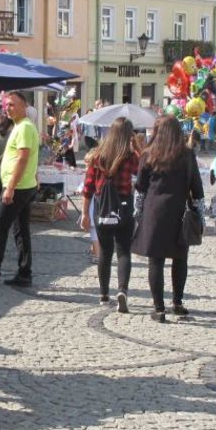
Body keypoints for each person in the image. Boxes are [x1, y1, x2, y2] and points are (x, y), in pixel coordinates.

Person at [132, 114, 204, 322]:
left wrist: (138, 213)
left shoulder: (148, 154)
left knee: (156, 260)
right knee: (180, 258)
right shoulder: (187, 155)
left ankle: (159, 308)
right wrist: (200, 215)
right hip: (179, 212)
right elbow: (196, 187)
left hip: (154, 212)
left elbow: (140, 188)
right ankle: (177, 302)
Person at [0, 90, 40, 287]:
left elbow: (22, 158)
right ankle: (24, 272)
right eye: (6, 105)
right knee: (20, 230)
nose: (7, 108)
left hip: (18, 187)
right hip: (23, 185)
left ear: (24, 106)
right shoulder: (19, 126)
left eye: (12, 104)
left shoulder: (24, 128)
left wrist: (10, 188)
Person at [81, 117, 141, 311]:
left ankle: (104, 295)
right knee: (124, 251)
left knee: (105, 252)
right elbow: (142, 172)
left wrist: (84, 213)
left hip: (102, 208)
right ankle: (122, 290)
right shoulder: (131, 156)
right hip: (124, 207)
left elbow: (88, 187)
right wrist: (138, 146)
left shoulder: (98, 156)